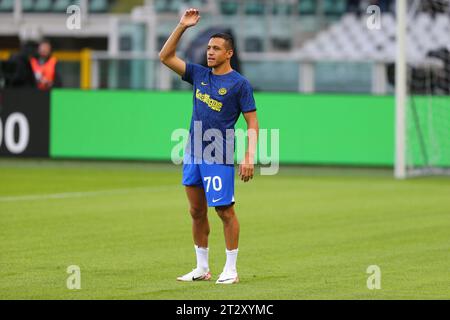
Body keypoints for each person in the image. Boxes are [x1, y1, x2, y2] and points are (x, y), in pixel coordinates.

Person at [159, 8, 259, 284]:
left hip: (219, 153)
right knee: (196, 211)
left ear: (229, 53)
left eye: (216, 48)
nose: (210, 52)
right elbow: (165, 57)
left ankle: (231, 269)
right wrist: (181, 26)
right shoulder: (199, 75)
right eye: (208, 48)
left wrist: (249, 156)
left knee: (224, 211)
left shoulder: (239, 84)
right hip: (192, 152)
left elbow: (252, 123)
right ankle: (202, 268)